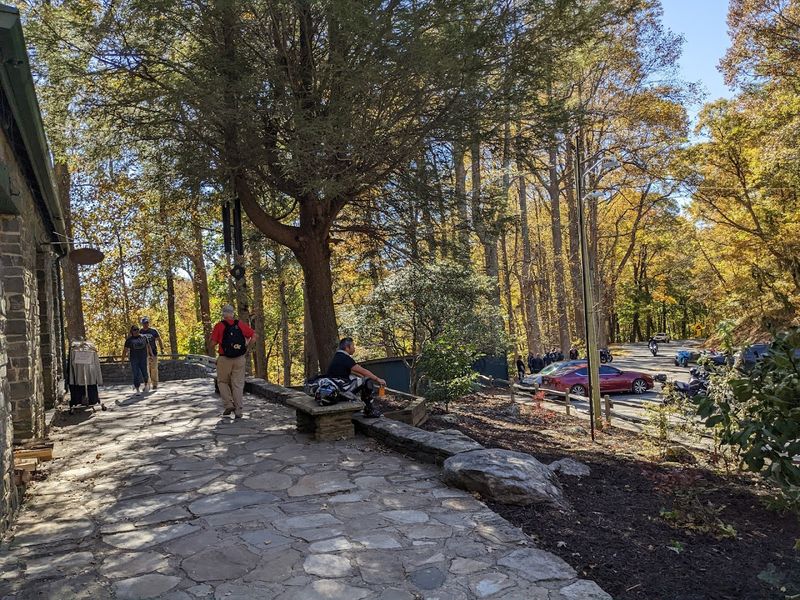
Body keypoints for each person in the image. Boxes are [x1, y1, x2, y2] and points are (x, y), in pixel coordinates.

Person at [210, 304, 256, 418]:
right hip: (239, 358)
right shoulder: (239, 324)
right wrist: (246, 349)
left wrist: (211, 342)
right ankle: (239, 410)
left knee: (222, 382)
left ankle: (228, 404)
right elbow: (254, 336)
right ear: (232, 313)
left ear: (223, 314)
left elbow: (212, 343)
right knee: (238, 384)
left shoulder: (219, 326)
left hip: (224, 358)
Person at [326, 337, 385, 418]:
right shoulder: (345, 358)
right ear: (347, 348)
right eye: (353, 346)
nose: (354, 348)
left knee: (361, 379)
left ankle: (360, 403)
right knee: (367, 381)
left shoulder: (337, 356)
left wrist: (361, 377)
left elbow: (351, 371)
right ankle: (369, 410)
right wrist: (378, 379)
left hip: (335, 387)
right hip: (341, 388)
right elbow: (363, 371)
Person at [121, 325, 152, 394]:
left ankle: (146, 385)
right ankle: (137, 389)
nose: (136, 331)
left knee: (145, 372)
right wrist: (122, 361)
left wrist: (151, 355)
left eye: (137, 329)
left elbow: (148, 346)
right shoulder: (129, 340)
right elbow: (124, 351)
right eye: (134, 330)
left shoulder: (144, 337)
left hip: (143, 358)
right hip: (134, 359)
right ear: (131, 331)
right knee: (136, 374)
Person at [140, 316, 164, 390]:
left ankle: (155, 384)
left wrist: (162, 348)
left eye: (147, 322)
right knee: (145, 370)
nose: (146, 324)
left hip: (153, 352)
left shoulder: (153, 331)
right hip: (144, 354)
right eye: (144, 323)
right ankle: (147, 385)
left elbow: (159, 340)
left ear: (148, 323)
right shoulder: (140, 332)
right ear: (142, 324)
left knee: (154, 369)